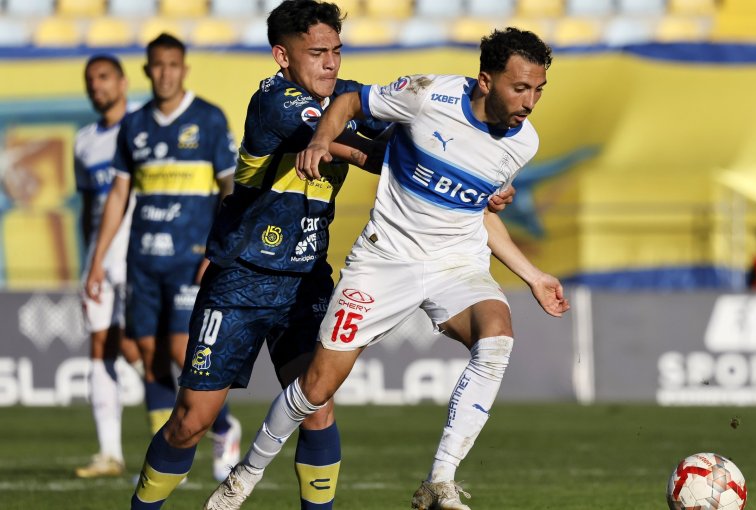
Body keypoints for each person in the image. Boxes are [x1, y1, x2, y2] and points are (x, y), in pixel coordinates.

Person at [127, 4, 515, 509]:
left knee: (318, 406)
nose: (330, 63)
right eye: (316, 53)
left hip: (306, 277)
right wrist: (447, 173)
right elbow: (362, 148)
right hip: (241, 277)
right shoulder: (276, 101)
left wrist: (475, 180)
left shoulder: (346, 95)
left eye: (336, 51)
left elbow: (417, 135)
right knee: (190, 423)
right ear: (281, 56)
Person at [206, 27, 569, 510]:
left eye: (538, 89)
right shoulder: (427, 95)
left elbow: (477, 212)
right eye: (520, 88)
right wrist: (320, 141)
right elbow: (351, 103)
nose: (530, 101)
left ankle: (440, 480)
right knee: (316, 388)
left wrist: (534, 276)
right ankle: (244, 478)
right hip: (385, 262)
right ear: (486, 80)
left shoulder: (522, 143)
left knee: (497, 337)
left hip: (455, 263)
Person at [84, 33, 241, 489]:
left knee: (180, 350)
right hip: (142, 260)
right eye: (158, 65)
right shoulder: (134, 126)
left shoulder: (208, 119)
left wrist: (219, 249)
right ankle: (166, 447)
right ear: (148, 70)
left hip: (190, 257)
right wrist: (96, 262)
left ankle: (224, 426)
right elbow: (118, 196)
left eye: (174, 65)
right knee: (149, 357)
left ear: (183, 68)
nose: (166, 73)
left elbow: (229, 189)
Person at [73, 54, 144, 479]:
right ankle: (110, 453)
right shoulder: (84, 141)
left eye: (103, 77)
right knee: (101, 346)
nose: (96, 86)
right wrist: (90, 259)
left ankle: (207, 424)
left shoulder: (142, 124)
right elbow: (88, 206)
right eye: (90, 80)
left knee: (138, 347)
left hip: (137, 251)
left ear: (121, 81)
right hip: (99, 256)